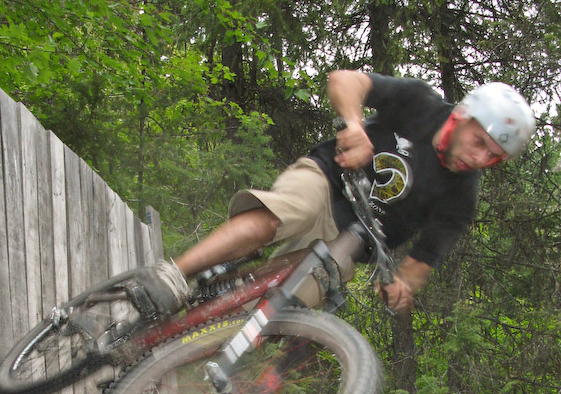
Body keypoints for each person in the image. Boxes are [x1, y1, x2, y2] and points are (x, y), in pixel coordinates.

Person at [133, 71, 536, 317]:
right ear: (462, 117)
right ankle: (173, 275)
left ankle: (183, 347)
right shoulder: (421, 103)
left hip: (349, 244)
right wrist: (355, 126)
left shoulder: (461, 198)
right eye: (479, 142)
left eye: (492, 156)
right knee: (288, 212)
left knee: (280, 310)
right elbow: (345, 81)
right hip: (329, 182)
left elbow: (421, 262)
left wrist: (402, 286)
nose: (479, 158)